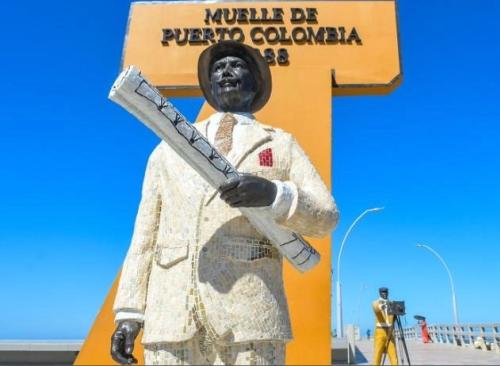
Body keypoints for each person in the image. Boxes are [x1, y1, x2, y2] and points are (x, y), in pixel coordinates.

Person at [109, 41, 339, 365]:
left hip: (251, 318)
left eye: (236, 65)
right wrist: (129, 314)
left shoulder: (281, 143)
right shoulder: (168, 148)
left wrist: (274, 194)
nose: (226, 72)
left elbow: (325, 216)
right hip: (171, 318)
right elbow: (145, 236)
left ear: (256, 81)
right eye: (218, 68)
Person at [372, 287, 398, 365]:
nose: (385, 293)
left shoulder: (392, 303)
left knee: (393, 355)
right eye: (383, 292)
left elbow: (395, 317)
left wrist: (398, 310)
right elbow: (376, 308)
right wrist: (381, 307)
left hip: (390, 330)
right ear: (379, 293)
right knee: (377, 355)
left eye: (386, 292)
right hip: (380, 330)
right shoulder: (375, 302)